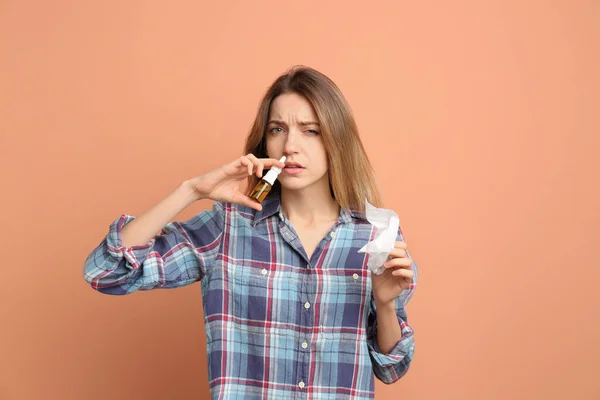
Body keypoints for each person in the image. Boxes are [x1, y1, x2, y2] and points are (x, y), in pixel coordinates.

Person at [83, 65, 418, 399]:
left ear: (337, 139)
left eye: (310, 130)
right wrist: (191, 190)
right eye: (277, 130)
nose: (290, 146)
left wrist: (385, 304)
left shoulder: (374, 235)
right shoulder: (228, 226)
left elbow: (391, 367)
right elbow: (106, 271)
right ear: (264, 142)